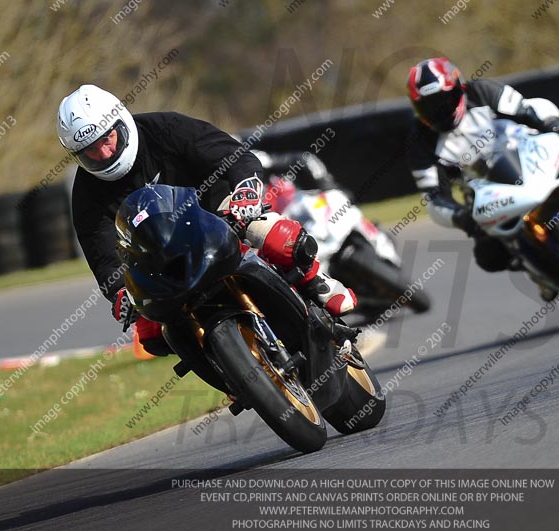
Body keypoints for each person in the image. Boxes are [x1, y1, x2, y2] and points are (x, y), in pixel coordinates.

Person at [57, 84, 357, 358]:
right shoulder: (86, 194)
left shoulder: (166, 128)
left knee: (272, 234)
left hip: (218, 212)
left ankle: (313, 279)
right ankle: (226, 368)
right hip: (159, 255)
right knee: (150, 332)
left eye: (107, 139)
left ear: (121, 122)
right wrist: (120, 292)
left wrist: (246, 190)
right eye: (90, 152)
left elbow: (234, 156)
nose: (104, 153)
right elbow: (103, 257)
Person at [406, 57, 559, 273]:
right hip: (486, 191)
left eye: (443, 101)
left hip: (527, 153)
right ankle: (536, 270)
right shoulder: (420, 142)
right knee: (489, 256)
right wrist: (461, 218)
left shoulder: (481, 91)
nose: (439, 111)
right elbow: (435, 198)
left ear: (458, 88)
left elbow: (529, 111)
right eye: (429, 107)